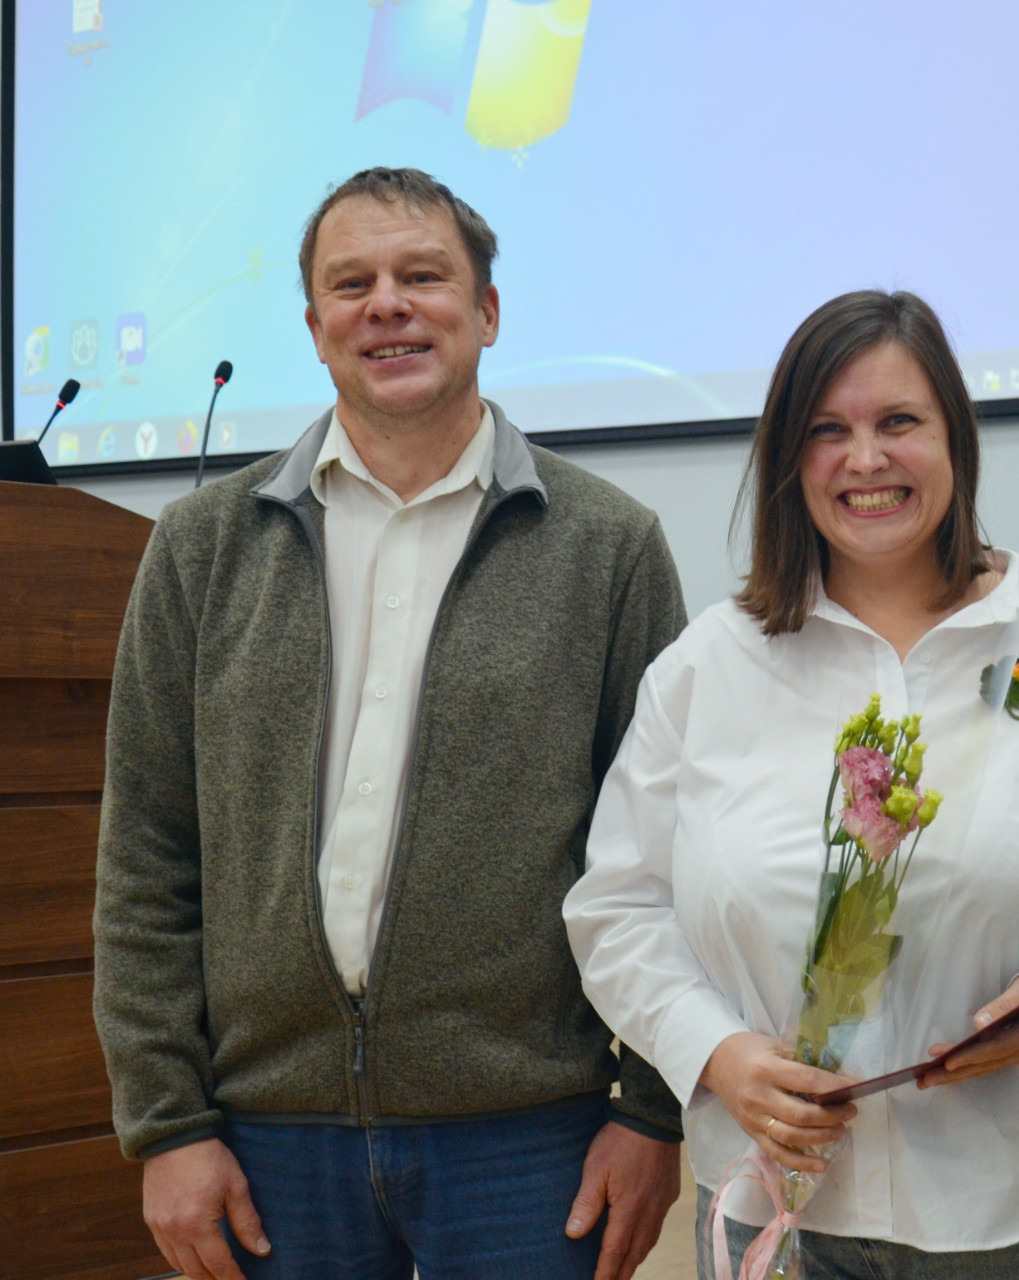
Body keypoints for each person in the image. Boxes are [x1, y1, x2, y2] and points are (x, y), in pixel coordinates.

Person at [94, 167, 687, 1280]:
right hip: (267, 1140)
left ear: (487, 312)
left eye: (423, 276)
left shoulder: (609, 548)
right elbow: (147, 854)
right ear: (315, 327)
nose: (387, 305)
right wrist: (166, 1123)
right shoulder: (201, 548)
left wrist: (652, 1111)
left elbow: (670, 850)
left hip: (528, 1135)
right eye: (351, 283)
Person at [564, 289, 1019, 1278]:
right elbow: (619, 908)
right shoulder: (710, 666)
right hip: (771, 1210)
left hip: (1018, 1210)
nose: (865, 458)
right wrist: (717, 1054)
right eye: (827, 431)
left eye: (899, 422)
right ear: (788, 461)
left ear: (955, 438)